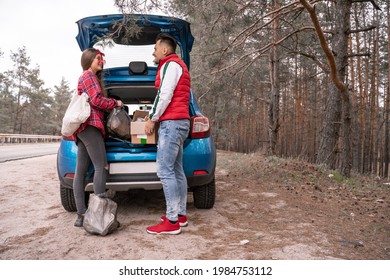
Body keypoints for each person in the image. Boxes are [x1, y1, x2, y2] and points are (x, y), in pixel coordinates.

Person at [144, 33, 191, 235]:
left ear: (164, 49)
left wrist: (152, 118)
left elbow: (165, 94)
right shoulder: (177, 65)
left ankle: (171, 221)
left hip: (171, 123)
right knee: (177, 170)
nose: (153, 52)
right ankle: (180, 216)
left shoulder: (170, 65)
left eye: (155, 48)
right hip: (179, 122)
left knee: (164, 170)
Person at [72, 48, 123, 227]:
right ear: (89, 59)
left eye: (102, 58)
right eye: (97, 58)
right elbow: (96, 101)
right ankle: (98, 217)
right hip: (91, 126)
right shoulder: (89, 76)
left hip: (83, 129)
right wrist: (115, 103)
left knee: (80, 172)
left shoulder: (85, 77)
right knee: (101, 167)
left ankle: (81, 216)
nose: (101, 61)